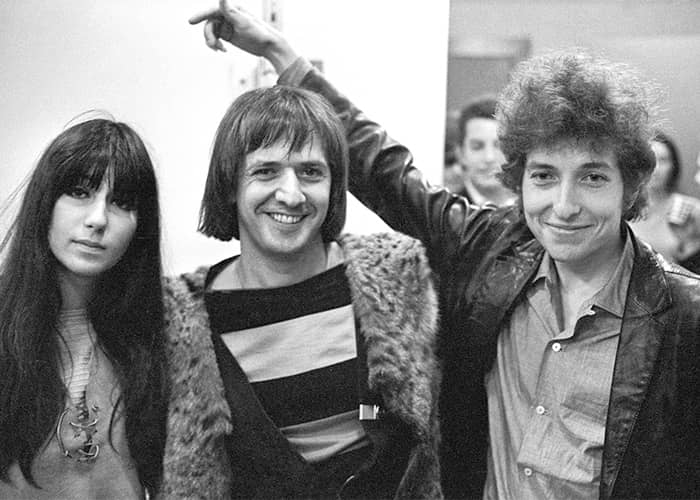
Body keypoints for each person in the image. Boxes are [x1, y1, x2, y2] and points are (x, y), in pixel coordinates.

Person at [191, 5, 700, 499]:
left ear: (631, 186)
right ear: (519, 180)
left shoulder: (683, 318)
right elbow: (387, 172)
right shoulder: (493, 250)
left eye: (592, 177)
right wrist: (279, 53)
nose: (564, 206)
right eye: (544, 176)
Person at [159, 86, 442, 496]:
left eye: (311, 172)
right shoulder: (182, 319)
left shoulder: (397, 281)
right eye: (266, 171)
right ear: (229, 184)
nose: (291, 195)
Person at [0, 118, 168, 498]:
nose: (98, 219)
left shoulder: (161, 337)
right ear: (45, 202)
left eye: (122, 203)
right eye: (79, 192)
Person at [630, 132, 700, 267]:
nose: (655, 168)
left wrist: (689, 247)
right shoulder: (623, 208)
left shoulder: (692, 210)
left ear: (673, 165)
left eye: (663, 160)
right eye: (650, 160)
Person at [450, 97, 515, 206]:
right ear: (460, 154)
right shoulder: (445, 212)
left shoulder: (532, 210)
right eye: (477, 147)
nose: (489, 158)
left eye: (499, 146)